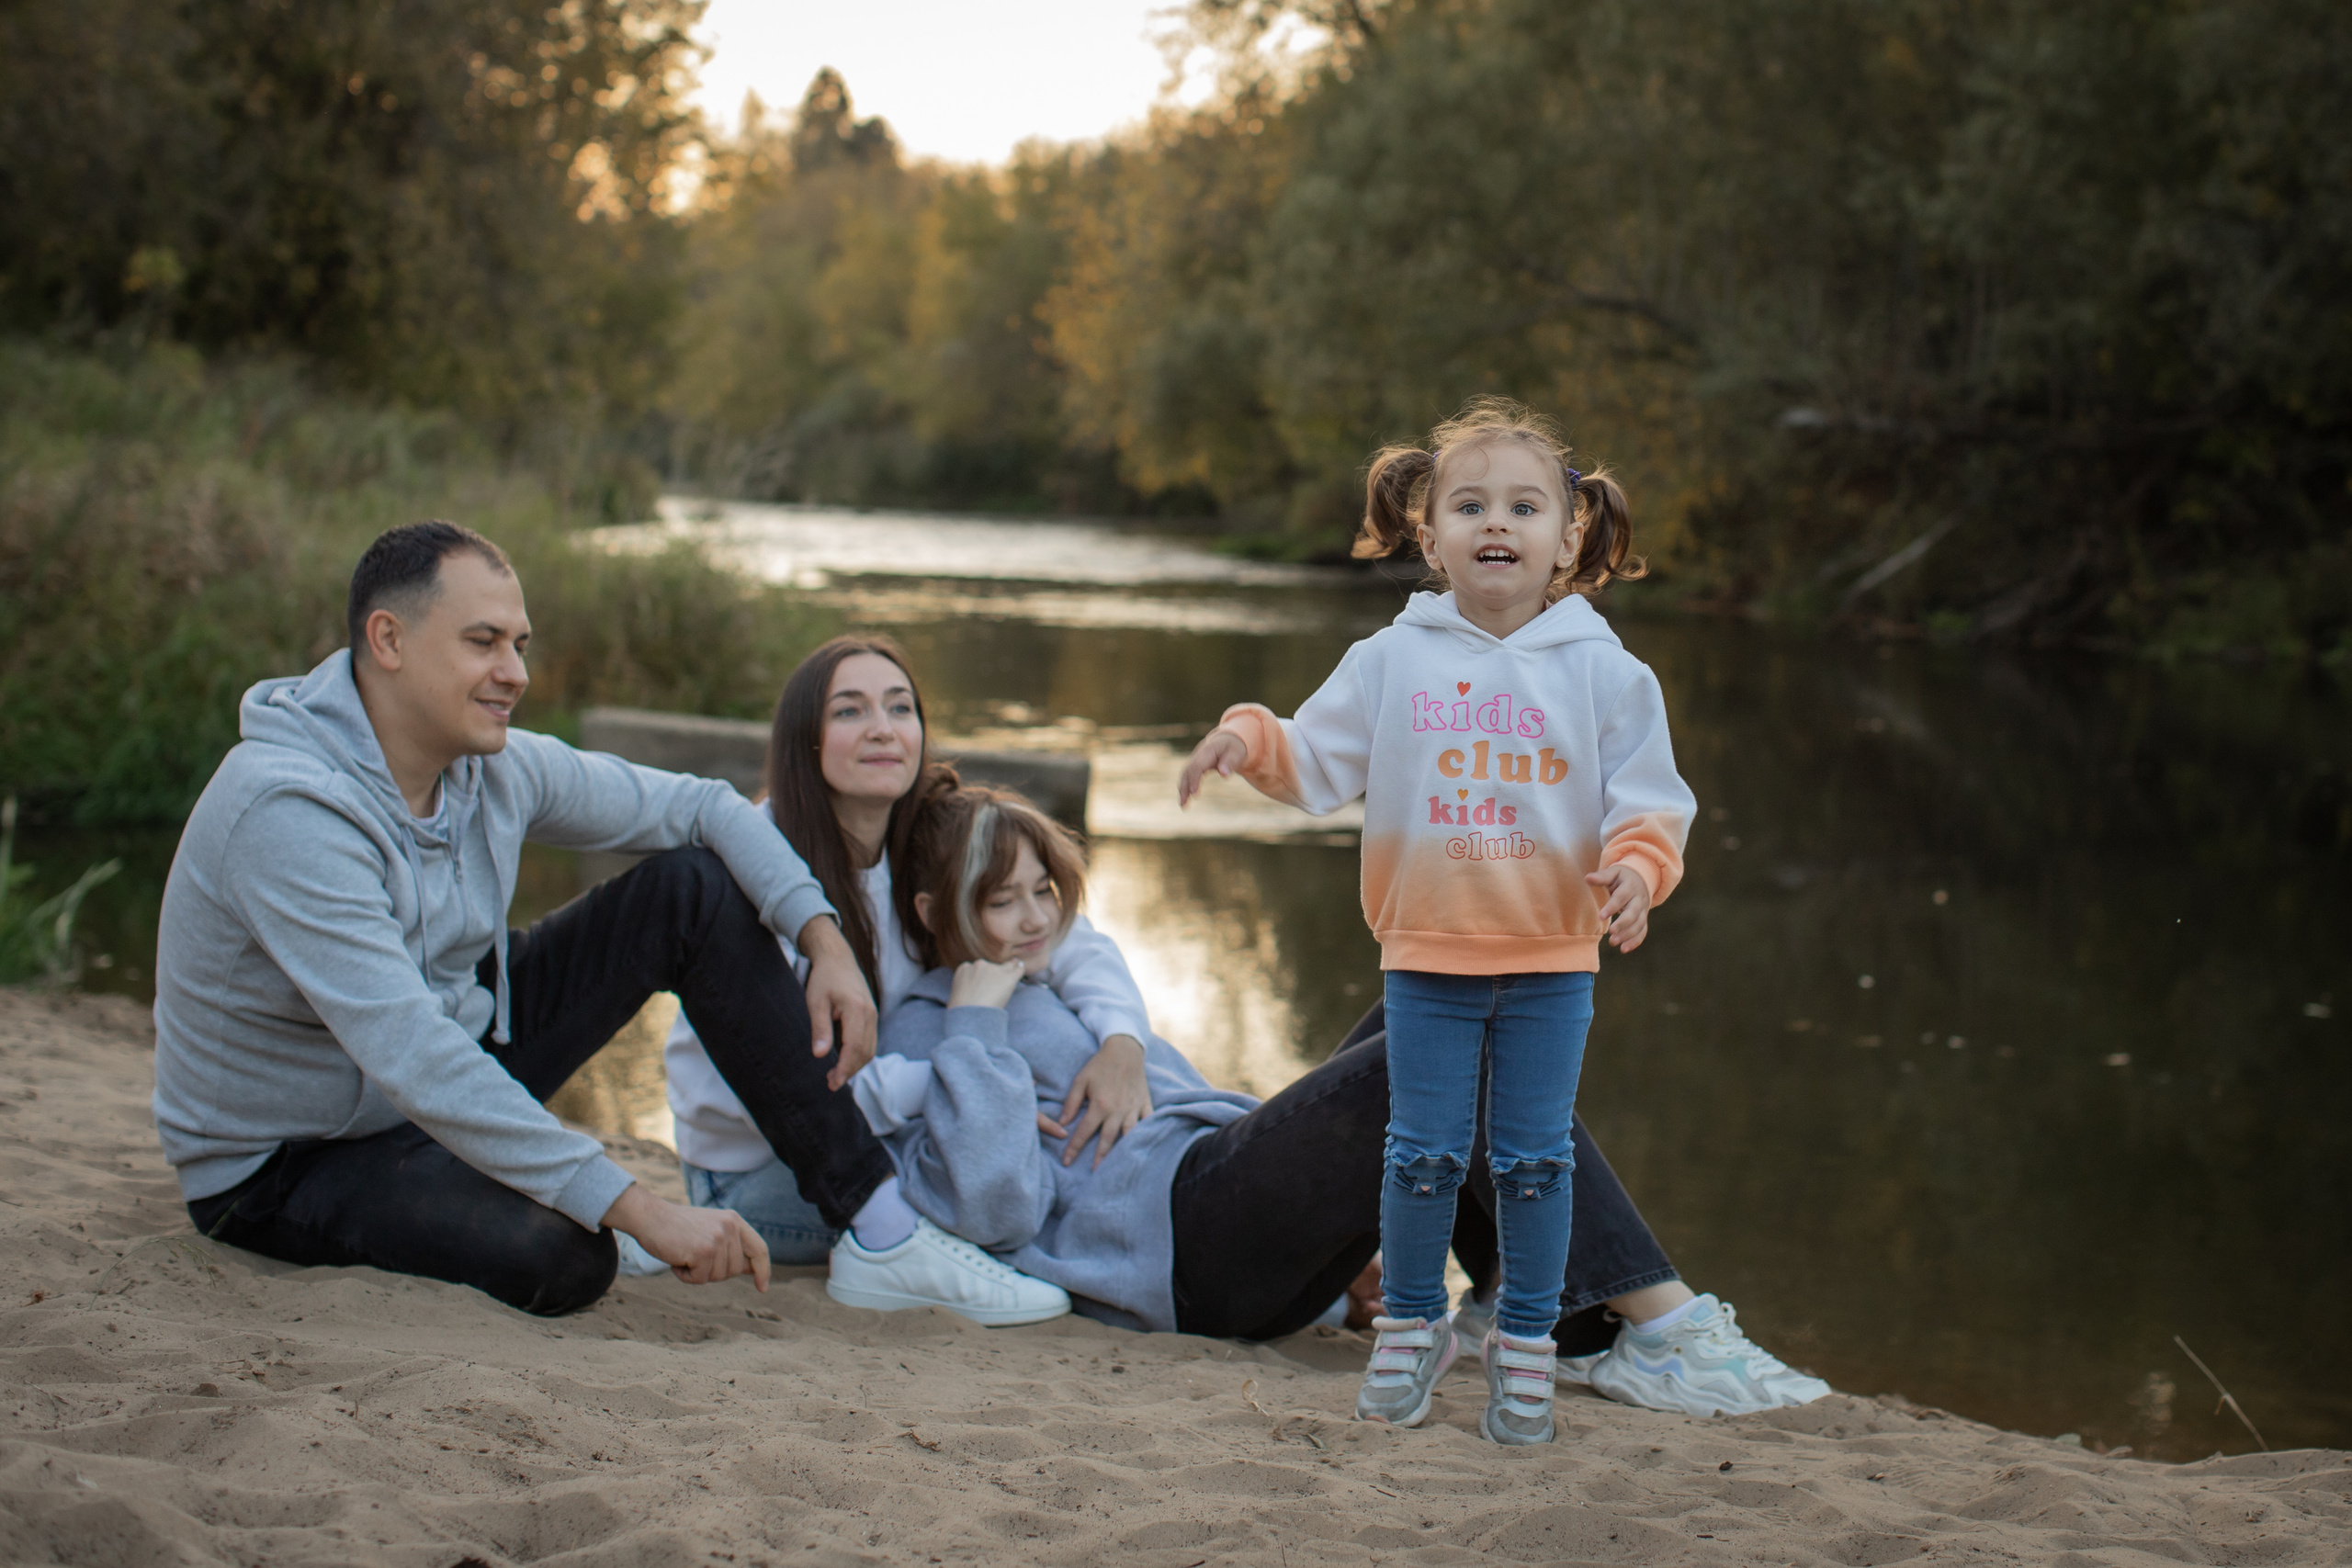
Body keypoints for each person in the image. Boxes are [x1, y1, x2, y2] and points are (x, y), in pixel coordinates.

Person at [151, 521, 1043, 1320]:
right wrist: (641, 1207)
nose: (517, 674)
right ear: (388, 639)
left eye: (521, 644)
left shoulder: (490, 766)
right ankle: (557, 1205)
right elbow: (409, 1055)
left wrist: (823, 938)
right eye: (483, 642)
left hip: (453, 1058)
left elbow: (704, 807)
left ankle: (881, 1232)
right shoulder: (288, 814)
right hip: (291, 1160)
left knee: (691, 887)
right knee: (567, 1256)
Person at [871, 780, 1829, 1423]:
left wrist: (1330, 1269)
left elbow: (1181, 1110)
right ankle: (1665, 1325)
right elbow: (992, 1210)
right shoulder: (937, 1029)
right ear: (931, 914)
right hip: (1185, 1249)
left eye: (1043, 890)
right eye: (1003, 901)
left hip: (1218, 1215)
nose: (1035, 917)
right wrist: (974, 1029)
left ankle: (1560, 1324)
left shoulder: (1049, 980)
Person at [1180, 397, 1706, 1443]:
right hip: (1426, 954)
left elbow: (1649, 805)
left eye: (1523, 506)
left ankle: (1523, 1345)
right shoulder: (1393, 660)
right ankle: (1411, 1330)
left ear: (1569, 537)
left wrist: (1640, 873)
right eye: (1470, 506)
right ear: (1430, 536)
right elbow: (1315, 755)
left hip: (1552, 960)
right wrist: (1248, 742)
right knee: (1419, 1154)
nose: (1496, 523)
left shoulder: (1605, 673)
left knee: (1532, 1160)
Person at [659, 635, 1159, 1324]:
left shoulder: (921, 832)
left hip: (887, 1119)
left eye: (900, 708)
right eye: (850, 711)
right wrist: (961, 1074)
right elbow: (803, 1090)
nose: (882, 729)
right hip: (764, 1168)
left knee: (1048, 1136)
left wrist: (1123, 1043)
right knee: (1010, 1171)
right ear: (805, 739)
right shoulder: (758, 865)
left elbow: (1061, 936)